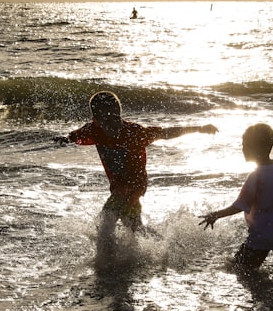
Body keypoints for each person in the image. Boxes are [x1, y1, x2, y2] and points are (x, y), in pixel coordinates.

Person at [57, 90, 217, 237]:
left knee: (104, 223)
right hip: (117, 185)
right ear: (96, 120)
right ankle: (159, 247)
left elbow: (165, 132)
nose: (113, 124)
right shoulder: (93, 130)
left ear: (120, 114)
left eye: (115, 118)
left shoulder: (134, 133)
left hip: (135, 184)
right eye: (106, 120)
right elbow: (74, 135)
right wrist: (66, 138)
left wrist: (199, 128)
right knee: (133, 227)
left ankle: (105, 262)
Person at [200, 123, 273, 271]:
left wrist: (216, 215)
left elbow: (240, 205)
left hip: (261, 237)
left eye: (245, 145)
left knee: (237, 269)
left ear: (257, 148)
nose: (242, 149)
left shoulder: (256, 176)